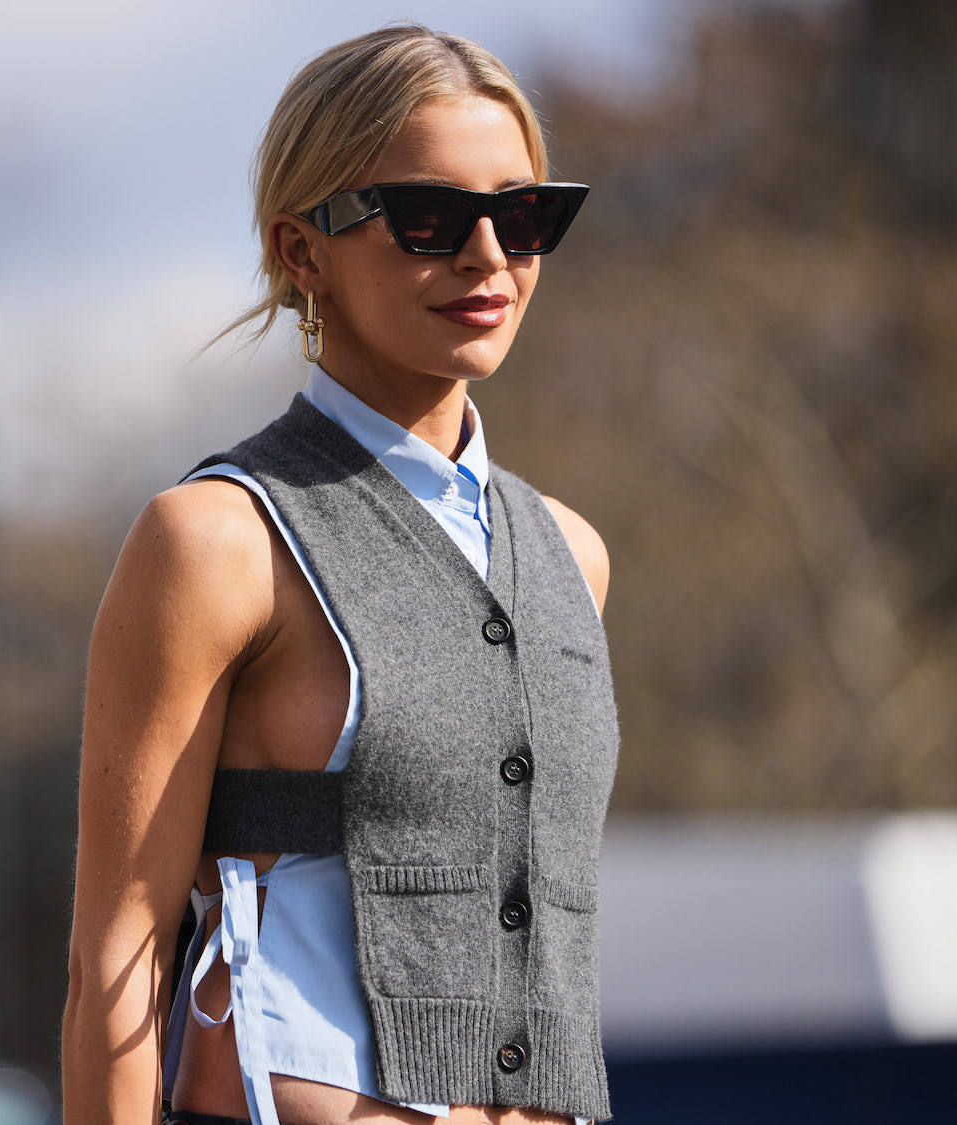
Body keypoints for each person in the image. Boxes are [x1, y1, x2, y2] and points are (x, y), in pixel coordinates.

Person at [63, 23, 619, 1125]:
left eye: (522, 215)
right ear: (299, 249)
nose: (485, 257)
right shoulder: (217, 540)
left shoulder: (572, 553)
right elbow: (115, 953)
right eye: (426, 217)